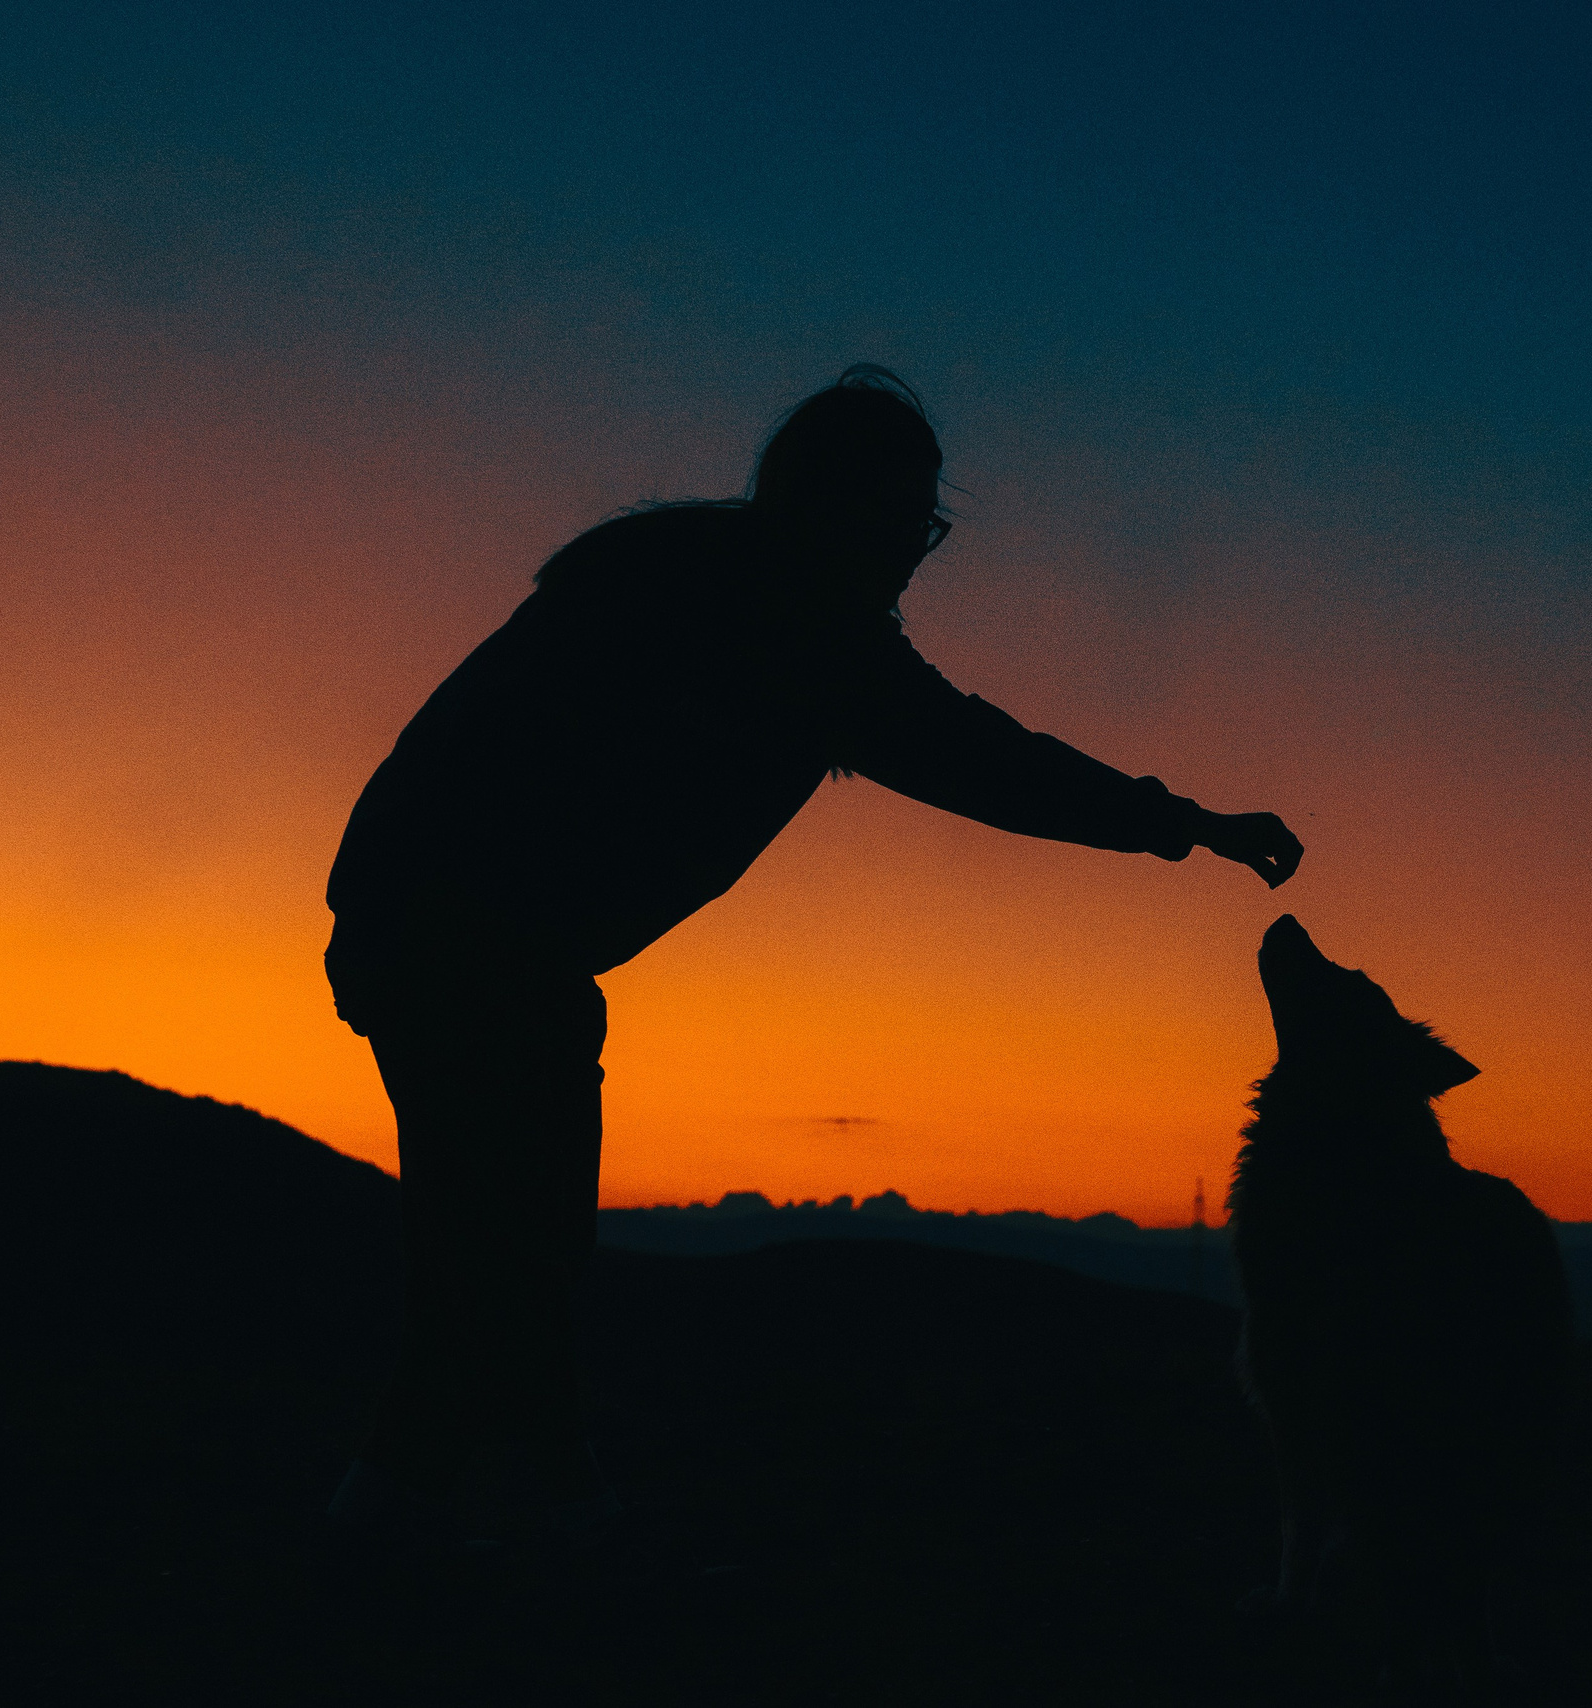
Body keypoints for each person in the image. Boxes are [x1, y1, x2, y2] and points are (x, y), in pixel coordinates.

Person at [321, 365, 1302, 1548]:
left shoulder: (694, 580)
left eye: (924, 526)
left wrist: (1179, 821)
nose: (912, 551)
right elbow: (986, 761)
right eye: (902, 520)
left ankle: (506, 1516)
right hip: (470, 944)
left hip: (455, 939)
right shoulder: (786, 628)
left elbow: (977, 753)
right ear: (835, 505)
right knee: (503, 1262)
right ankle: (462, 1537)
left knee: (502, 1262)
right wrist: (1185, 824)